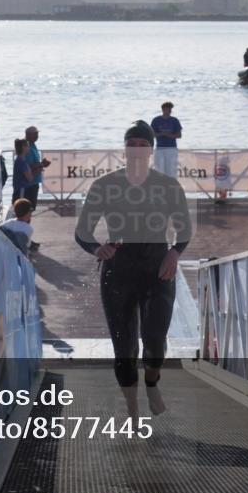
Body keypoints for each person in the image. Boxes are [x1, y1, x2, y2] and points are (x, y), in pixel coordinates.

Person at [74, 120, 192, 421]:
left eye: (143, 144)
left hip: (158, 270)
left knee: (154, 341)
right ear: (124, 150)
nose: (137, 150)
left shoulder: (167, 186)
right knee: (124, 347)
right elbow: (83, 231)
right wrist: (97, 248)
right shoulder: (105, 185)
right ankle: (133, 410)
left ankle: (152, 382)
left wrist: (174, 253)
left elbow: (185, 229)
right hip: (119, 271)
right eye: (132, 144)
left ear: (151, 150)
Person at [150, 102, 182, 178]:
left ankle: (172, 187)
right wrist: (161, 134)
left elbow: (179, 135)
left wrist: (169, 135)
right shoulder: (156, 120)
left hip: (171, 148)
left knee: (171, 171)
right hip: (160, 148)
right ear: (163, 109)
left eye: (171, 109)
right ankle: (160, 187)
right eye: (168, 109)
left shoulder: (174, 120)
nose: (170, 111)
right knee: (159, 171)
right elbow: (151, 134)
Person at [23, 125, 51, 211]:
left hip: (34, 182)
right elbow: (27, 167)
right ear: (28, 135)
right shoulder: (26, 147)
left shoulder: (33, 145)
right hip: (28, 184)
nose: (37, 136)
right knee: (27, 208)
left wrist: (42, 164)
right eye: (35, 134)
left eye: (37, 134)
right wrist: (41, 164)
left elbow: (34, 164)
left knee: (31, 207)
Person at [12, 139, 35, 205]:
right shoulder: (21, 162)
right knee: (21, 207)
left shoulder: (21, 160)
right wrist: (35, 172)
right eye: (27, 146)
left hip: (23, 189)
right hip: (21, 189)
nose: (29, 148)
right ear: (23, 147)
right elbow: (29, 178)